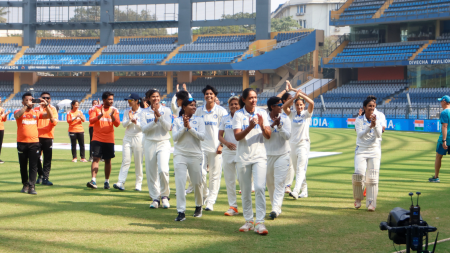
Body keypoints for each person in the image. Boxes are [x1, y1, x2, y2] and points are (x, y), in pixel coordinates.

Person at [233, 88, 271, 235]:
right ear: (244, 100)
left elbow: (268, 135)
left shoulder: (263, 113)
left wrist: (261, 125)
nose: (254, 100)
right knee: (246, 190)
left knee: (260, 188)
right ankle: (249, 221)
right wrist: (250, 126)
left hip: (260, 156)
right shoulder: (238, 114)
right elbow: (237, 137)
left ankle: (260, 222)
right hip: (243, 157)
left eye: (255, 97)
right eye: (250, 98)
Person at [195, 85, 228, 211]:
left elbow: (226, 130)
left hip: (216, 148)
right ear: (204, 96)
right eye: (207, 94)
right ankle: (205, 194)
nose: (209, 96)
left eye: (211, 94)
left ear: (215, 96)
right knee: (200, 174)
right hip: (201, 147)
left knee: (215, 175)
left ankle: (210, 202)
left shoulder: (221, 111)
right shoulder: (199, 111)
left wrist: (221, 145)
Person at [172, 98, 205, 221]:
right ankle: (181, 211)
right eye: (191, 105)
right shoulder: (176, 121)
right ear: (184, 107)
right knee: (180, 183)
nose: (194, 107)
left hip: (195, 155)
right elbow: (175, 138)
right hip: (180, 155)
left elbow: (202, 137)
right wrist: (184, 127)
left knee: (197, 183)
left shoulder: (200, 120)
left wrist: (190, 128)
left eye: (195, 105)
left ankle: (198, 205)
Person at [140, 90, 172, 208]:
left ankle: (164, 196)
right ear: (148, 98)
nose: (155, 99)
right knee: (151, 172)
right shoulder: (143, 112)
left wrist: (160, 116)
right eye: (153, 97)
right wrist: (154, 121)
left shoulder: (166, 110)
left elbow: (169, 127)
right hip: (149, 143)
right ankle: (155, 198)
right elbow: (143, 129)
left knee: (163, 169)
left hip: (163, 142)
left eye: (157, 96)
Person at [14, 92, 50, 195]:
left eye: (31, 100)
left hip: (34, 143)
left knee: (33, 165)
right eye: (27, 100)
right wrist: (26, 106)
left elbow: (48, 116)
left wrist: (46, 105)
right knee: (23, 165)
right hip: (22, 142)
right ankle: (25, 184)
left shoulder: (36, 113)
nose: (30, 101)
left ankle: (31, 186)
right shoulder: (18, 111)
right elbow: (17, 116)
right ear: (23, 102)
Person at [282, 89, 314, 200]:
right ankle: (304, 190)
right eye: (297, 105)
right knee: (297, 169)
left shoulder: (307, 114)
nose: (299, 107)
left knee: (300, 169)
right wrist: (295, 97)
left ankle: (296, 191)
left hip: (303, 144)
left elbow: (312, 103)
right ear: (295, 105)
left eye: (301, 105)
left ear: (304, 105)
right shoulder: (292, 114)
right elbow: (284, 107)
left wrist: (301, 96)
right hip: (293, 144)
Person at [352, 98, 383, 211]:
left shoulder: (377, 119)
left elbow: (379, 135)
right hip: (361, 150)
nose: (371, 108)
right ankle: (358, 198)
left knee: (372, 178)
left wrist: (374, 125)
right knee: (358, 176)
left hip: (374, 150)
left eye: (373, 106)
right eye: (369, 106)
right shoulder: (359, 119)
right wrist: (369, 126)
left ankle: (371, 203)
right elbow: (360, 134)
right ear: (364, 107)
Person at [87, 92, 120, 189]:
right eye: (109, 99)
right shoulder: (95, 108)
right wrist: (99, 115)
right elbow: (91, 120)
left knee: (108, 160)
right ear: (104, 100)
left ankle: (106, 182)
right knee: (96, 158)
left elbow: (117, 124)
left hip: (109, 139)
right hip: (97, 138)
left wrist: (113, 116)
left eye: (112, 99)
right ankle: (93, 180)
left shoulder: (114, 110)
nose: (111, 101)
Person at [265, 97, 291, 219]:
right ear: (272, 107)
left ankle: (275, 208)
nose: (282, 106)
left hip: (283, 154)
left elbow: (287, 136)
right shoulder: (264, 118)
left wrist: (279, 126)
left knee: (279, 183)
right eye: (279, 104)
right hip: (267, 155)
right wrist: (271, 125)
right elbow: (264, 136)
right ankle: (275, 207)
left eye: (282, 104)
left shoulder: (285, 118)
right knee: (270, 183)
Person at [113, 93, 144, 192]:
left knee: (138, 162)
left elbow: (144, 127)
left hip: (138, 138)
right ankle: (120, 182)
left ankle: (138, 183)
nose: (128, 102)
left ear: (136, 101)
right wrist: (130, 119)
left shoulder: (143, 112)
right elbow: (124, 124)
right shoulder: (127, 111)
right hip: (127, 138)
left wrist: (136, 122)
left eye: (130, 100)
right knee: (125, 160)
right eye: (128, 100)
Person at [218, 96, 240, 216]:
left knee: (242, 180)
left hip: (241, 151)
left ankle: (247, 207)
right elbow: (220, 135)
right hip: (227, 152)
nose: (234, 106)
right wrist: (226, 143)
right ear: (229, 106)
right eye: (232, 104)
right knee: (229, 180)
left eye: (236, 104)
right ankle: (233, 206)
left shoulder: (243, 117)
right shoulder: (225, 118)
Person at [35, 92, 58, 186]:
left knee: (47, 159)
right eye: (43, 97)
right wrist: (40, 108)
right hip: (36, 137)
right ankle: (40, 175)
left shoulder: (53, 109)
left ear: (50, 99)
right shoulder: (36, 109)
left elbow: (54, 122)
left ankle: (45, 178)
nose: (45, 99)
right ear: (40, 98)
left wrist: (47, 107)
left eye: (47, 98)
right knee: (36, 158)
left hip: (48, 136)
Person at [278, 81, 297, 194]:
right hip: (281, 139)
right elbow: (275, 98)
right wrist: (285, 90)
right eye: (290, 98)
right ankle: (279, 183)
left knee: (290, 164)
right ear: (284, 100)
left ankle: (287, 185)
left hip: (292, 140)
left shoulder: (294, 111)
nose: (293, 100)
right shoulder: (280, 109)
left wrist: (293, 89)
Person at [430, 95, 450, 183]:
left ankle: (436, 177)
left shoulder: (445, 112)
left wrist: (444, 140)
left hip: (446, 138)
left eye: (441, 101)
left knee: (438, 157)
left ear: (444, 102)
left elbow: (445, 126)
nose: (440, 103)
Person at [0, 97, 10, 164]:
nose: (0, 100)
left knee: (0, 144)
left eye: (0, 99)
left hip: (1, 128)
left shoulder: (1, 109)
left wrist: (6, 115)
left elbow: (4, 119)